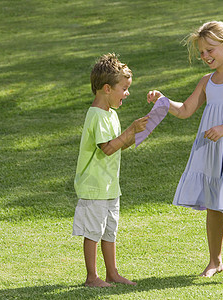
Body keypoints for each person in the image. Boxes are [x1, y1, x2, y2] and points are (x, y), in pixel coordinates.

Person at [147, 21, 223, 284]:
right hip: (213, 147)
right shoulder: (206, 81)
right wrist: (163, 101)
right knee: (213, 205)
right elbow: (185, 110)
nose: (205, 56)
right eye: (202, 53)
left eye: (210, 50)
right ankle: (215, 261)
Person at [73, 53, 149, 287]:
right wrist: (130, 130)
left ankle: (112, 273)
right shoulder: (95, 115)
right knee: (93, 232)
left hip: (109, 186)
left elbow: (117, 146)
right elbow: (107, 148)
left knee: (109, 231)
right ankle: (91, 277)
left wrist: (137, 134)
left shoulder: (111, 114)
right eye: (124, 88)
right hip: (94, 186)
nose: (127, 93)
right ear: (107, 88)